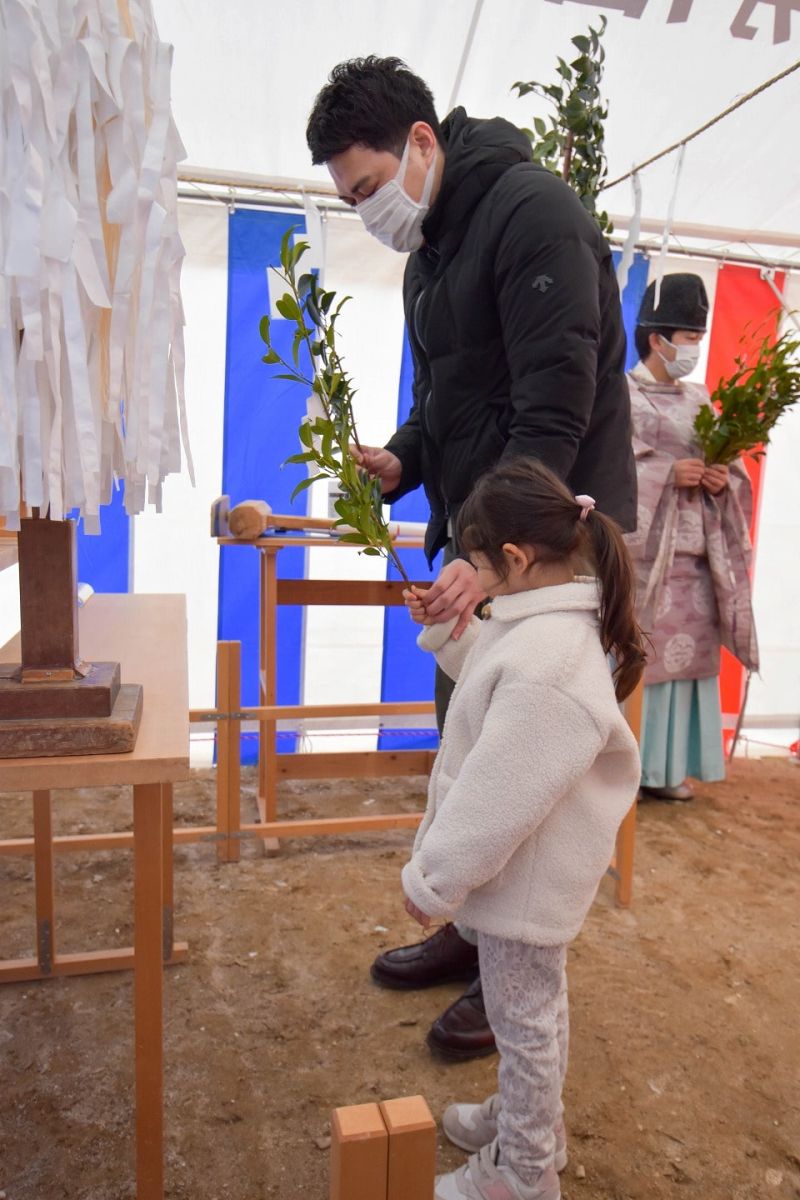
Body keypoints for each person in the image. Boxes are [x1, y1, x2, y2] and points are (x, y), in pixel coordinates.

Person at [306, 55, 637, 1057]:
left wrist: (499, 554)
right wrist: (401, 460)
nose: (366, 211)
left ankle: (515, 971)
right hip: (487, 540)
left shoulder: (532, 211)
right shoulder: (431, 256)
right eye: (349, 199)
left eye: (367, 187)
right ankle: (472, 931)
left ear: (420, 142)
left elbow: (554, 402)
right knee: (466, 738)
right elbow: (447, 401)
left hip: (552, 542)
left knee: (524, 762)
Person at [400, 457, 644, 1200]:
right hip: (528, 874)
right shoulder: (544, 627)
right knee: (531, 1011)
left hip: (524, 879)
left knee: (525, 1019)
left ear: (513, 558)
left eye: (475, 566)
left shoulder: (550, 663)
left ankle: (525, 1170)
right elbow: (494, 672)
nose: (471, 578)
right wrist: (452, 632)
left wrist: (434, 877)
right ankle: (528, 1124)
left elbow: (496, 796)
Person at [625, 274, 758, 801]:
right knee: (641, 656)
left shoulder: (701, 398)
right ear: (656, 339)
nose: (695, 349)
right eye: (688, 338)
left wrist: (722, 477)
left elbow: (728, 463)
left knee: (688, 660)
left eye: (699, 339)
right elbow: (607, 466)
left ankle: (668, 767)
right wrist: (665, 471)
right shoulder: (621, 395)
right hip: (646, 559)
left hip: (697, 552)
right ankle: (626, 770)